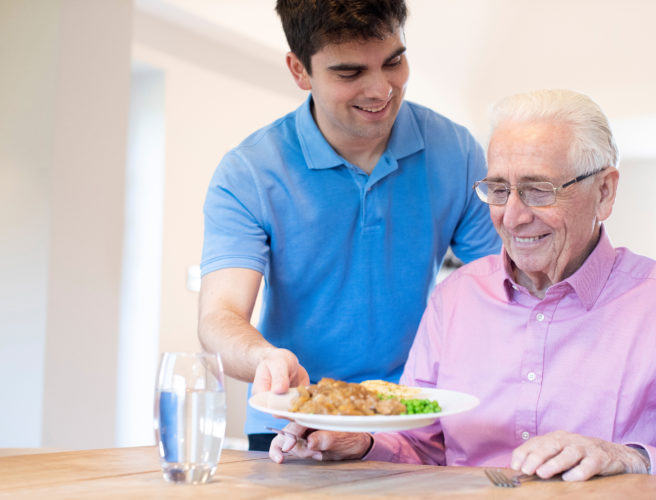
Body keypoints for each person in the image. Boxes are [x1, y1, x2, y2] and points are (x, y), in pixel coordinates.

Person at [269, 89, 656, 480]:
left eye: (540, 189)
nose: (514, 216)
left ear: (604, 192)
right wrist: (363, 441)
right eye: (498, 189)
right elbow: (422, 441)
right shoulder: (456, 297)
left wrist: (630, 458)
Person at [198, 0, 502, 451]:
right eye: (350, 73)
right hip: (295, 420)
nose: (382, 89)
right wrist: (264, 358)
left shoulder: (456, 151)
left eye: (394, 61)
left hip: (411, 422)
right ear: (300, 70)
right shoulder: (250, 172)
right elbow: (218, 318)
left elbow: (502, 288)